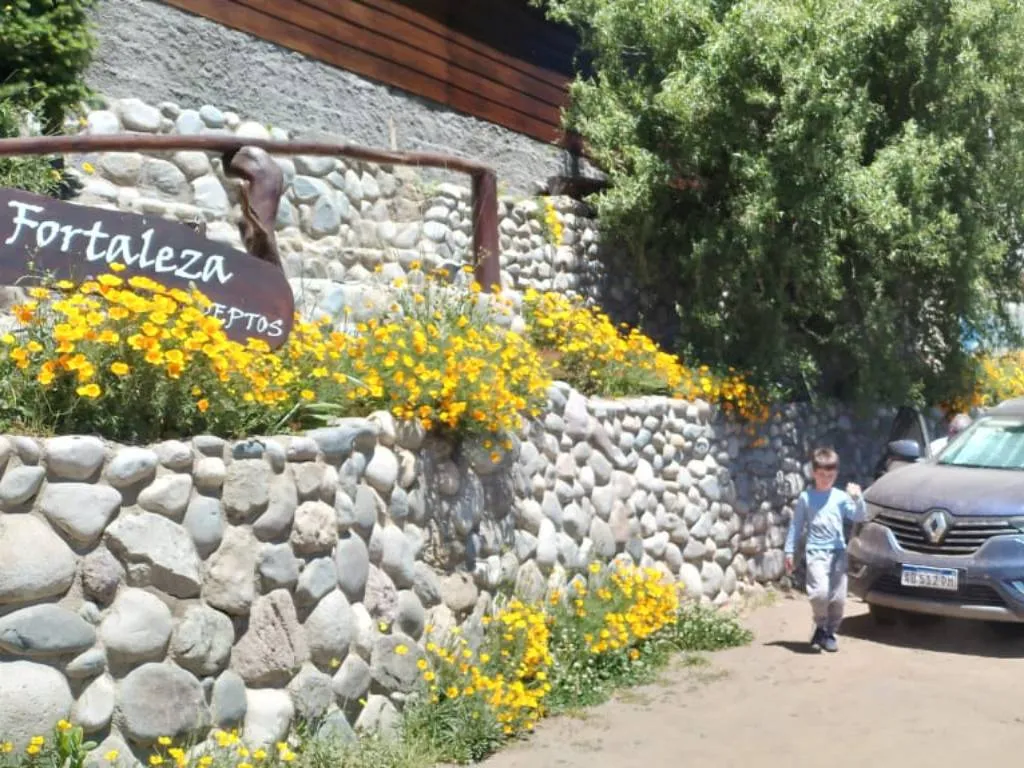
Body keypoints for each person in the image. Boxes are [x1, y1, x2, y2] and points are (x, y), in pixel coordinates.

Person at [784, 447, 866, 653]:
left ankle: (829, 633)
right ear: (813, 473)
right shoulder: (806, 498)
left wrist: (858, 498)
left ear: (836, 474)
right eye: (821, 475)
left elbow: (859, 517)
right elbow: (796, 525)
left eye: (830, 475)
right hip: (816, 552)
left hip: (838, 553)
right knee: (819, 594)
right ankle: (820, 624)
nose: (825, 479)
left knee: (838, 599)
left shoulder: (840, 497)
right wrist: (789, 551)